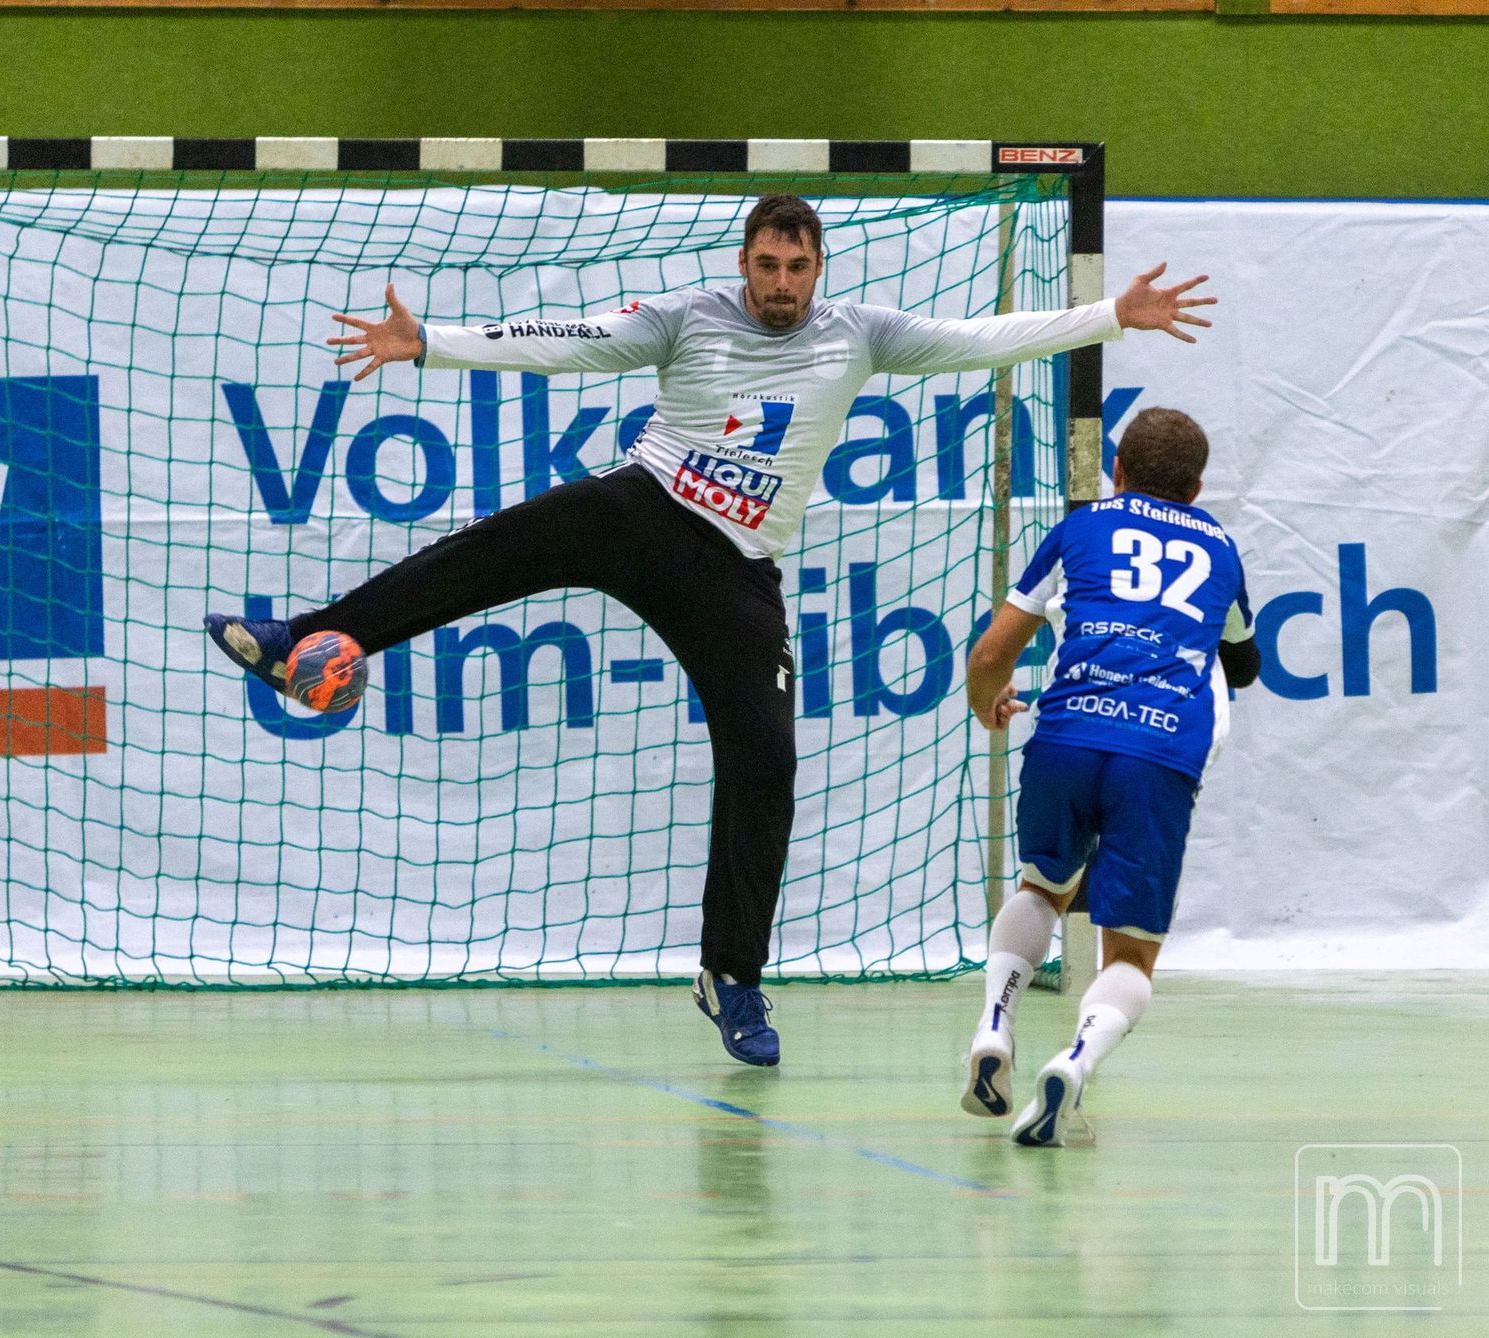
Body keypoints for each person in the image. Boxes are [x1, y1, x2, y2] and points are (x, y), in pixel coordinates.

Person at [205, 194, 1215, 1067]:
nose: (782, 282)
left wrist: (1106, 316)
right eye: (768, 265)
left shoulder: (856, 332)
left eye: (799, 267)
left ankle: (731, 977)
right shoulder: (690, 317)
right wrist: (432, 343)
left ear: (819, 269)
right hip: (644, 507)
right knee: (491, 549)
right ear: (745, 264)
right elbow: (566, 341)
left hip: (737, 571)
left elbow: (979, 337)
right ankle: (303, 640)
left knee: (766, 765)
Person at [961, 406, 1259, 1144]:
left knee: (1042, 884)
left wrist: (985, 705)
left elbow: (990, 656)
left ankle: (993, 1029)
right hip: (1158, 755)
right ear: (1194, 489)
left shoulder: (1079, 528)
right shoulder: (1219, 548)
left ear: (1117, 470)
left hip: (1066, 736)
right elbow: (1245, 665)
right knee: (1130, 951)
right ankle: (1075, 1063)